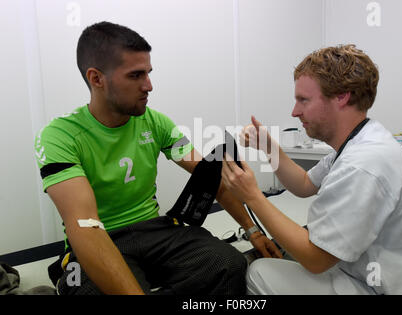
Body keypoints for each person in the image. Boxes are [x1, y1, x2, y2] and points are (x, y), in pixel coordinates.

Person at [34, 21, 281, 295]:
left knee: (229, 264)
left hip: (155, 231)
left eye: (148, 73)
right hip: (101, 237)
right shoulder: (59, 135)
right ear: (96, 78)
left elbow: (211, 178)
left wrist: (251, 231)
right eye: (136, 75)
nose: (149, 85)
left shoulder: (156, 122)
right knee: (89, 291)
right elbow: (86, 226)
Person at [221, 44, 402, 294]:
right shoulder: (362, 140)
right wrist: (269, 148)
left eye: (303, 100)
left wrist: (252, 196)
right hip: (380, 276)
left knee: (259, 271)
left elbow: (315, 259)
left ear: (342, 96)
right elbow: (305, 184)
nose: (294, 111)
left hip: (392, 289)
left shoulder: (363, 164)